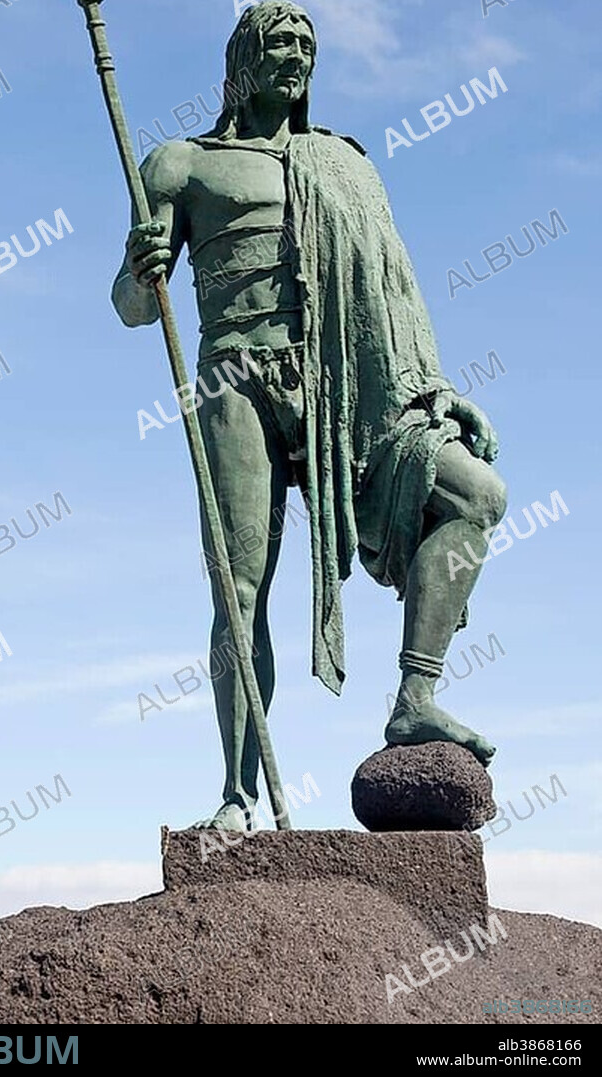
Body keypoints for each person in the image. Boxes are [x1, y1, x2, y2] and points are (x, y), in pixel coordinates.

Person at [112, 1, 507, 831]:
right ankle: (235, 795)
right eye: (278, 42)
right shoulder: (181, 164)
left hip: (343, 391)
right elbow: (132, 307)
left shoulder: (342, 163)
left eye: (305, 44)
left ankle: (415, 696)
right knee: (239, 584)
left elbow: (390, 291)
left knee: (475, 497)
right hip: (236, 384)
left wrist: (436, 388)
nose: (294, 55)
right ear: (244, 58)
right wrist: (140, 267)